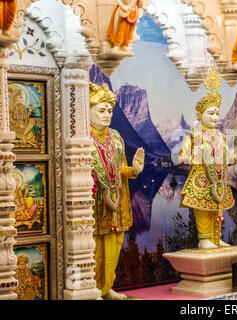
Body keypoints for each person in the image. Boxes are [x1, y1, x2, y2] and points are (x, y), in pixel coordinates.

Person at [178, 66, 237, 249]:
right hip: (201, 179)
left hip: (218, 179)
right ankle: (204, 239)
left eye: (217, 113)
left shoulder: (220, 137)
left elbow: (226, 158)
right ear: (200, 115)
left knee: (217, 209)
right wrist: (195, 156)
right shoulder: (193, 134)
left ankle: (216, 238)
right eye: (210, 113)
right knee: (203, 209)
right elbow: (181, 158)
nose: (215, 117)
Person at [89, 82, 145, 299]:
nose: (107, 114)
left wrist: (134, 170)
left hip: (116, 202)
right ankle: (92, 289)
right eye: (101, 110)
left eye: (110, 111)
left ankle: (106, 288)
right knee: (93, 249)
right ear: (89, 111)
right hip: (93, 203)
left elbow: (116, 168)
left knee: (113, 248)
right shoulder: (82, 138)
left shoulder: (116, 136)